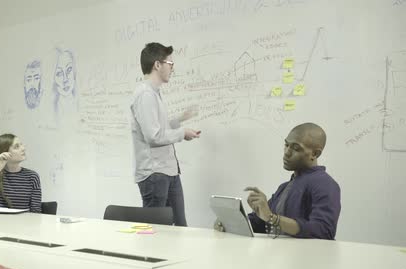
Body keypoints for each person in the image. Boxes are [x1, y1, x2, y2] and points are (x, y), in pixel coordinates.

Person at [215, 123, 341, 239]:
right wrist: (230, 222)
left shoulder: (325, 184)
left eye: (296, 148)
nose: (287, 153)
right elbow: (261, 222)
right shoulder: (285, 187)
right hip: (281, 258)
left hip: (306, 261)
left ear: (315, 154)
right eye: (286, 145)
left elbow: (324, 230)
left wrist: (272, 218)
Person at [129, 42, 201, 227]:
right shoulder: (145, 95)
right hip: (154, 174)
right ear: (157, 65)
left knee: (179, 228)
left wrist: (180, 119)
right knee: (156, 233)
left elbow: (160, 128)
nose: (172, 68)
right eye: (170, 63)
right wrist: (182, 133)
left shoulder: (154, 94)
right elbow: (153, 137)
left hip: (168, 171)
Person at [0, 133, 42, 212]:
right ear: (4, 153)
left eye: (21, 145)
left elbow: (36, 211)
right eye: (17, 147)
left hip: (24, 223)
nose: (23, 148)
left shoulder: (32, 176)